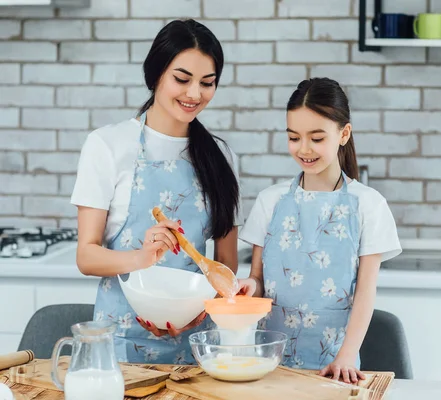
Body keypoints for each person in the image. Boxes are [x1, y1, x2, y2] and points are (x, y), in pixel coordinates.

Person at [70, 19, 242, 364]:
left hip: (196, 346)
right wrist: (141, 258)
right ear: (155, 75)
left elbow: (225, 265)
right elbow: (86, 257)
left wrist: (197, 313)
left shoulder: (221, 157)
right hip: (119, 346)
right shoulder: (107, 145)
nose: (194, 94)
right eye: (182, 79)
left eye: (207, 83)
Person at [237, 78, 402, 383]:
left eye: (316, 138)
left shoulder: (368, 204)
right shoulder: (269, 201)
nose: (304, 149)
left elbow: (365, 292)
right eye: (294, 138)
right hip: (268, 365)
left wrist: (346, 357)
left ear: (344, 134)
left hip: (335, 367)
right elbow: (258, 281)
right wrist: (248, 287)